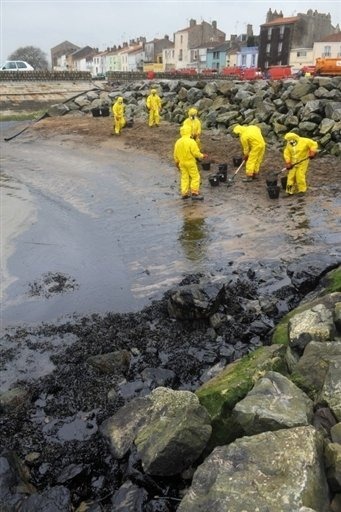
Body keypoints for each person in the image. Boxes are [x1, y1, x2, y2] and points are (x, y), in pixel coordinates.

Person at [173, 125, 208, 200]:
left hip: (181, 163)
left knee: (184, 178)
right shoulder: (191, 141)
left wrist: (176, 163)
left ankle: (184, 193)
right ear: (189, 132)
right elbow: (195, 153)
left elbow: (175, 154)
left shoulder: (178, 142)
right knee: (195, 177)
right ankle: (194, 193)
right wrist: (202, 156)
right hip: (190, 163)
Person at [283, 132, 318, 196]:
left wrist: (312, 152)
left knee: (300, 176)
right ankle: (289, 191)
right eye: (288, 140)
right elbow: (286, 153)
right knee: (290, 177)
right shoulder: (289, 144)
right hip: (293, 163)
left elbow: (313, 144)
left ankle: (302, 190)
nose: (289, 141)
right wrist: (288, 162)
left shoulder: (304, 141)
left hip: (303, 162)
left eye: (289, 140)